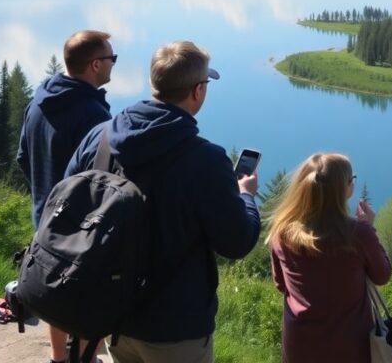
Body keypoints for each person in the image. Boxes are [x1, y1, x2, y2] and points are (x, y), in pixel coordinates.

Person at [66, 40, 260, 363]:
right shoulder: (206, 160)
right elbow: (237, 242)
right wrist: (247, 198)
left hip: (113, 316)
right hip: (176, 329)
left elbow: (71, 201)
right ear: (197, 91)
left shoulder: (100, 137)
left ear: (155, 85)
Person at [17, 29, 115, 363]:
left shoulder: (39, 101)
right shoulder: (93, 115)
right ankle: (85, 358)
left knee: (53, 287)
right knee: (90, 291)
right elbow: (103, 177)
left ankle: (59, 359)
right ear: (95, 65)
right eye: (111, 59)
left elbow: (21, 157)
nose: (114, 64)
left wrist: (42, 194)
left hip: (43, 213)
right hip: (78, 222)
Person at [267, 153, 392, 363]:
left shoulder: (281, 233)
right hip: (350, 346)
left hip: (300, 344)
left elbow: (281, 284)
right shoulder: (358, 233)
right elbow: (382, 275)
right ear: (345, 188)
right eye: (352, 179)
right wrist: (370, 229)